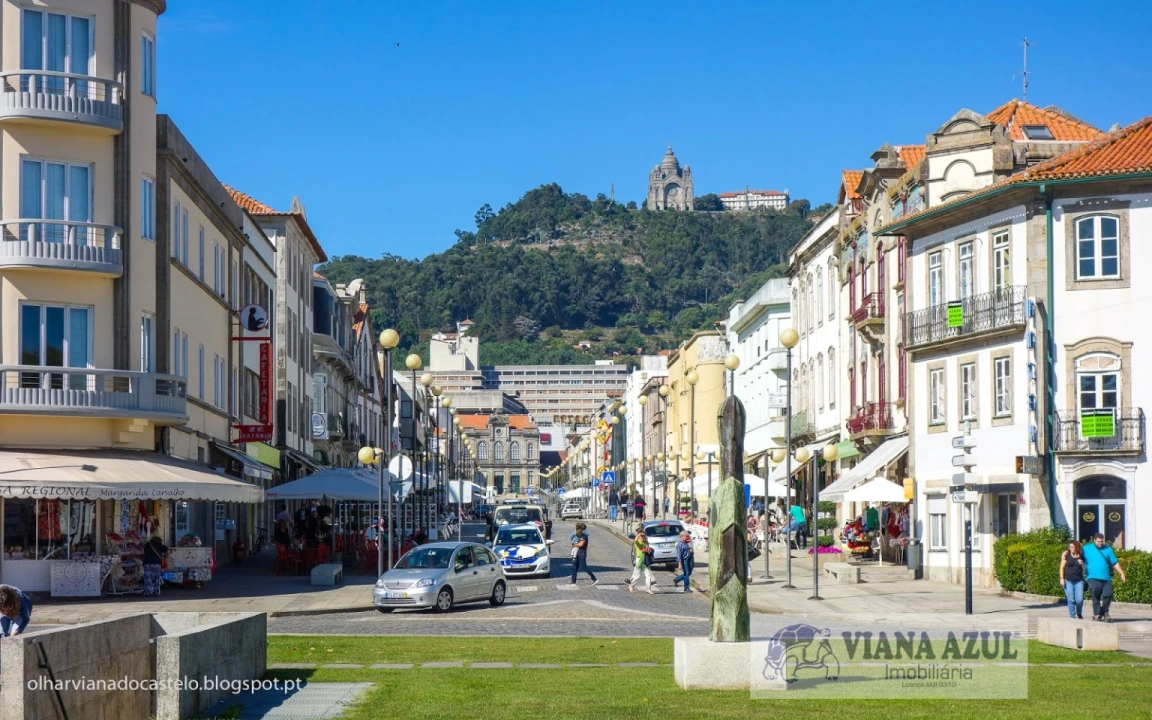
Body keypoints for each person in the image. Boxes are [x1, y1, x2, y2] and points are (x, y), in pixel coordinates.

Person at [1083, 533, 1126, 622]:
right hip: (1092, 577)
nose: (1100, 543)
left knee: (1108, 594)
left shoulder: (1108, 549)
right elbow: (1076, 553)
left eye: (1101, 541)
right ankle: (1097, 614)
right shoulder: (1086, 548)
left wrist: (1122, 573)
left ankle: (1103, 611)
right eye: (1098, 542)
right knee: (1095, 595)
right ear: (1094, 540)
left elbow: (1115, 563)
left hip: (1106, 578)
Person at [1059, 540, 1087, 620]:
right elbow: (1062, 567)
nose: (1070, 548)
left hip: (1079, 581)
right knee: (1071, 599)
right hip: (1068, 580)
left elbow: (1085, 569)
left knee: (1079, 600)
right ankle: (1072, 615)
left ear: (1076, 547)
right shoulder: (1066, 555)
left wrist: (1082, 564)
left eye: (1072, 547)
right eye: (1069, 547)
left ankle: (1079, 612)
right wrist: (1062, 578)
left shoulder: (1081, 555)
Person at [628, 526, 655, 594]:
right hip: (639, 560)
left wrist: (645, 539)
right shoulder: (638, 542)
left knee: (648, 575)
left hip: (645, 560)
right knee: (637, 575)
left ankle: (648, 589)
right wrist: (639, 534)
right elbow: (635, 541)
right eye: (641, 535)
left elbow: (647, 547)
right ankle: (631, 586)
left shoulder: (645, 542)